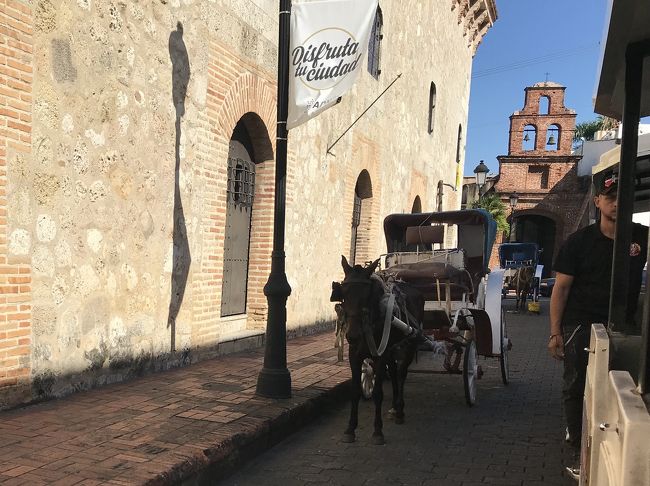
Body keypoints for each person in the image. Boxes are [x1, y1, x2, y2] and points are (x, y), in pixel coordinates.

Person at [548, 167, 648, 480]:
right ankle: (579, 449)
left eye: (622, 197)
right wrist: (556, 333)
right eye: (610, 197)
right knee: (576, 383)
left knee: (629, 387)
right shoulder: (578, 243)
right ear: (598, 201)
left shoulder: (641, 237)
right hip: (582, 322)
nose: (617, 203)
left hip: (623, 322)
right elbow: (561, 289)